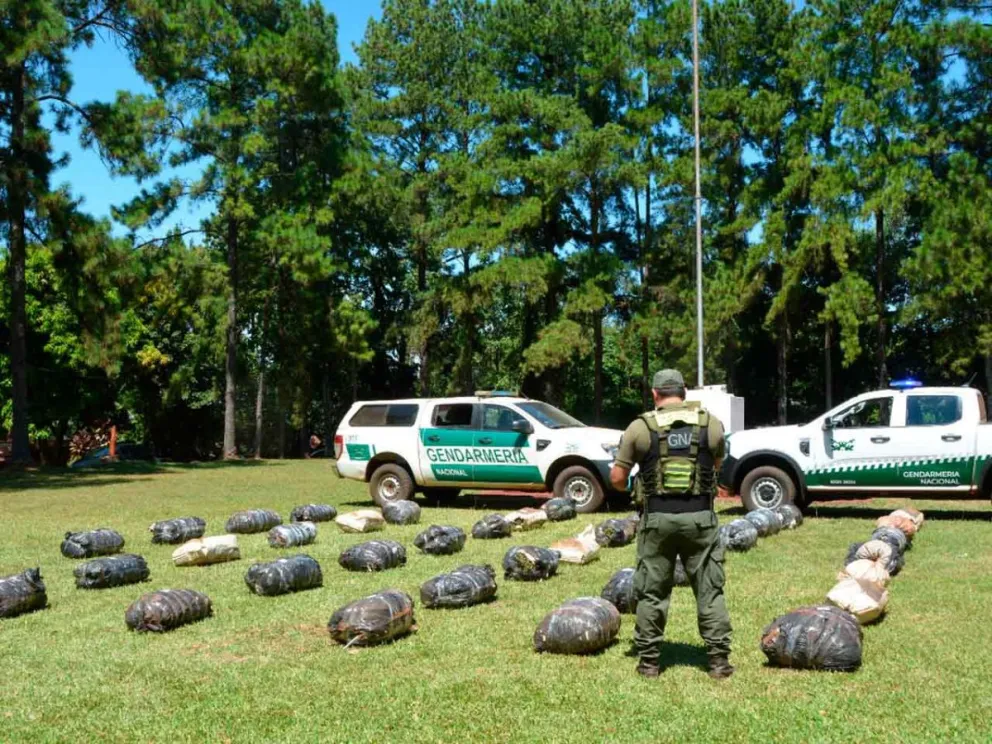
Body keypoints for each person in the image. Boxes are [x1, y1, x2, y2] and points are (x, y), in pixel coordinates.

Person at [609, 368, 733, 679]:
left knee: (652, 591)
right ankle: (718, 661)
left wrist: (636, 484)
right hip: (700, 519)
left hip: (657, 521)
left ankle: (649, 662)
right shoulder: (711, 424)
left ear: (655, 394)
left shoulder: (639, 428)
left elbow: (617, 478)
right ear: (684, 392)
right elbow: (717, 465)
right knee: (709, 590)